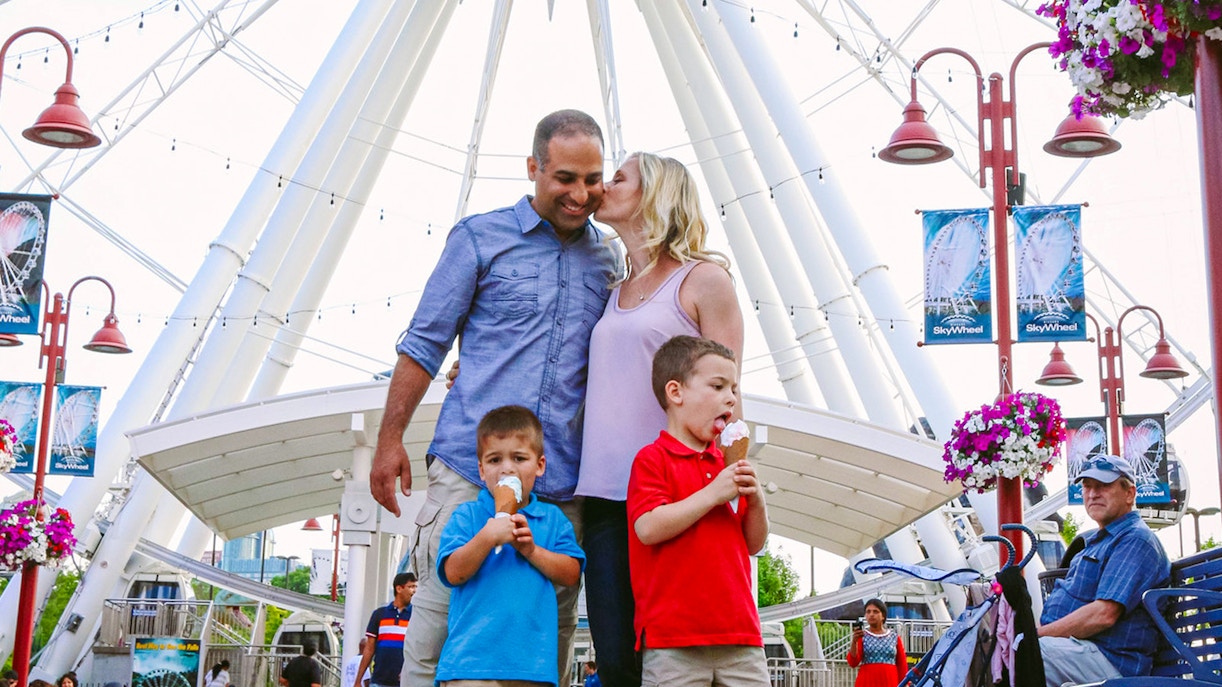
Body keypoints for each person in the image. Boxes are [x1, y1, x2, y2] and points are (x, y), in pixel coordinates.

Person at [370, 108, 618, 687]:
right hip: (467, 470)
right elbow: (424, 343)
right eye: (564, 178)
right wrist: (389, 441)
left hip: (558, 487)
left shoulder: (609, 259)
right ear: (533, 167)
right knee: (432, 634)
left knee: (547, 645)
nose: (581, 194)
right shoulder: (480, 238)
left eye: (592, 179)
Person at [577, 152, 743, 687]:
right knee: (618, 659)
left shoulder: (704, 281)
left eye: (618, 178)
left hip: (676, 493)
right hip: (605, 496)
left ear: (655, 195)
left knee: (678, 658)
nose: (603, 185)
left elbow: (728, 392)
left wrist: (729, 485)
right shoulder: (610, 289)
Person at [627, 335, 770, 687]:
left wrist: (758, 499)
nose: (731, 398)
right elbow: (647, 527)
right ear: (676, 393)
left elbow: (754, 544)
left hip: (741, 635)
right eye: (717, 386)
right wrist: (712, 493)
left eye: (734, 389)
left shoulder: (726, 464)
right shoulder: (652, 459)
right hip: (673, 640)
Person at [433, 405, 585, 686]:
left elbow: (571, 573)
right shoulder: (467, 516)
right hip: (470, 665)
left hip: (532, 667)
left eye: (519, 458)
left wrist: (532, 551)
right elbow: (453, 573)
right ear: (481, 470)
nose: (507, 468)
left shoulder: (552, 519)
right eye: (494, 460)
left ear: (539, 465)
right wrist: (486, 537)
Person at [1037, 454, 1171, 686]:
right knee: (992, 647)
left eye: (1103, 486)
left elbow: (1104, 615)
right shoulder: (1100, 541)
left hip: (1111, 661)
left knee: (1024, 653)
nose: (1092, 494)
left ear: (1130, 493)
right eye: (1087, 487)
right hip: (1081, 652)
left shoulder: (1135, 540)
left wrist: (1036, 635)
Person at [355, 572, 417, 687]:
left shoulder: (416, 616)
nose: (414, 591)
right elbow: (369, 648)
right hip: (379, 680)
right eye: (411, 587)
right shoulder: (379, 614)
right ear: (399, 588)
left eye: (415, 587)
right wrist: (358, 680)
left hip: (405, 681)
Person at [845, 599, 907, 687]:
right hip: (867, 682)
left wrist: (905, 684)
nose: (871, 614)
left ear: (883, 616)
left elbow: (902, 665)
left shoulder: (894, 637)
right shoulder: (862, 637)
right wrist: (854, 642)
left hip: (890, 681)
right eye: (868, 612)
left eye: (875, 612)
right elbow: (853, 662)